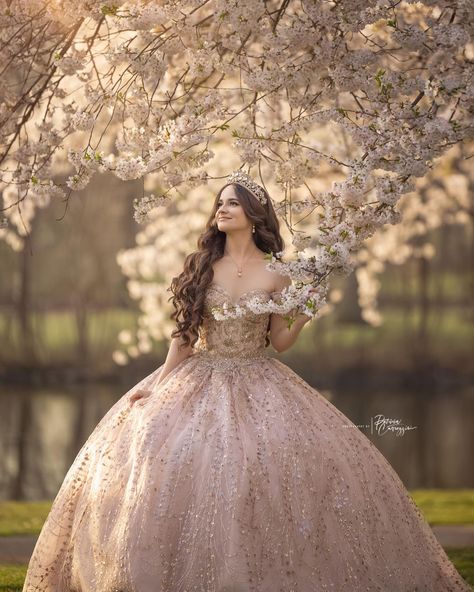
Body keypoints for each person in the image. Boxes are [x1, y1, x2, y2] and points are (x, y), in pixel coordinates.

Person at [22, 171, 470, 592]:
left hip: (261, 377)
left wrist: (303, 317)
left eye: (232, 204)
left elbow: (279, 342)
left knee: (269, 465)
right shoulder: (202, 266)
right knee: (171, 458)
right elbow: (183, 338)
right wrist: (158, 383)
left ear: (255, 215)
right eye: (219, 204)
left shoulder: (278, 271)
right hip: (201, 373)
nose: (222, 210)